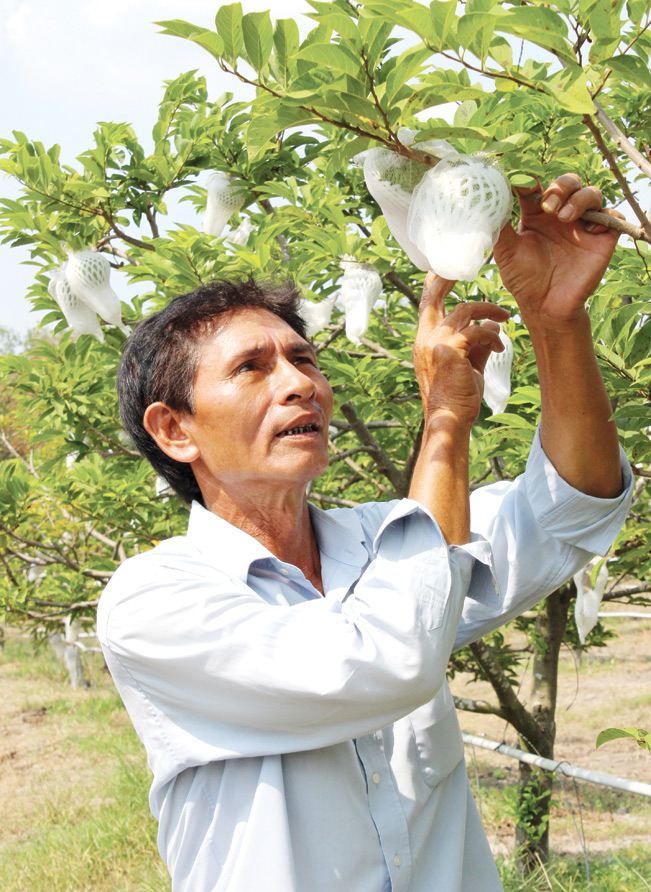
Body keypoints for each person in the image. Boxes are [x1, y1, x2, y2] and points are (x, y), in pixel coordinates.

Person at [98, 176, 633, 892]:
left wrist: (555, 322)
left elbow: (573, 506)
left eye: (303, 359)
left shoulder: (391, 537)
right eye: (251, 368)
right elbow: (388, 656)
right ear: (175, 430)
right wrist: (443, 423)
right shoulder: (153, 603)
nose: (299, 385)